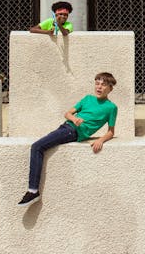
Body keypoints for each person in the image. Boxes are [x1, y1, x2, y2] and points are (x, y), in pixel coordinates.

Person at [17, 72, 117, 206]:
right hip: (65, 127)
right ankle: (33, 190)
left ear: (110, 88)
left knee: (37, 147)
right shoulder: (87, 99)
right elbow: (67, 113)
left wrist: (100, 140)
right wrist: (75, 118)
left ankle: (33, 190)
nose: (99, 87)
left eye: (103, 85)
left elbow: (111, 132)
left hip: (74, 132)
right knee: (39, 146)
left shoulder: (111, 108)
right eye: (97, 83)